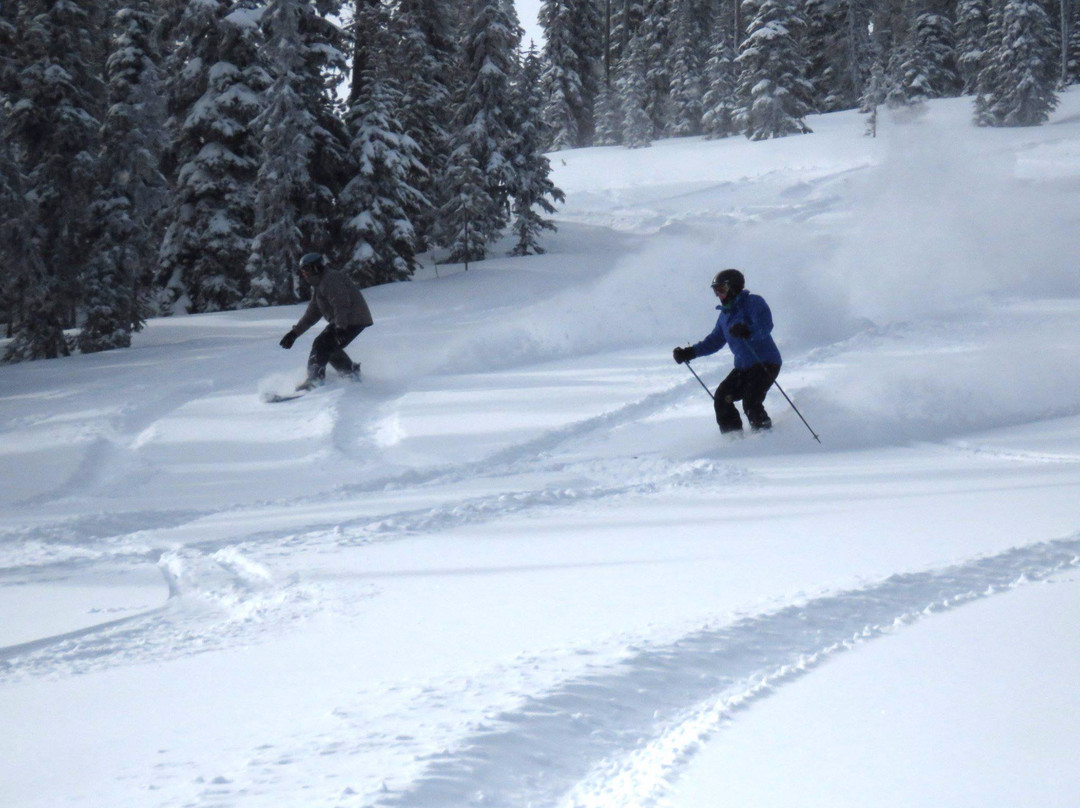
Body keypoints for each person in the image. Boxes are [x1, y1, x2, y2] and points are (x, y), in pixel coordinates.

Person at [672, 269, 782, 434]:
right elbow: (714, 341)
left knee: (751, 400)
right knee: (722, 397)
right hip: (743, 367)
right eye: (715, 290)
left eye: (721, 289)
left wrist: (748, 331)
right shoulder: (725, 316)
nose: (718, 294)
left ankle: (765, 436)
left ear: (734, 287)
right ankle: (733, 438)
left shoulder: (753, 303)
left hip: (765, 362)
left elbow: (765, 326)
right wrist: (690, 352)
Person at [279, 253, 374, 391]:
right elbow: (312, 314)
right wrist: (294, 333)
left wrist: (340, 327)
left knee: (321, 344)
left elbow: (341, 303)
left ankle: (315, 380)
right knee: (329, 347)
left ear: (316, 268)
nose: (304, 274)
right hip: (347, 319)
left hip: (352, 319)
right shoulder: (320, 285)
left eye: (307, 269)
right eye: (303, 271)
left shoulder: (331, 279)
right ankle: (350, 373)